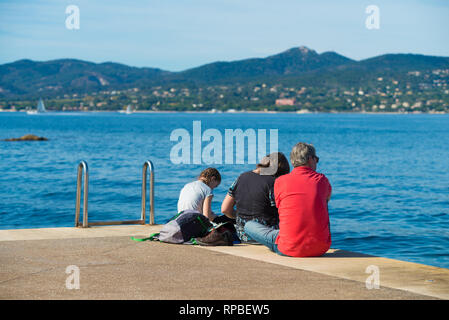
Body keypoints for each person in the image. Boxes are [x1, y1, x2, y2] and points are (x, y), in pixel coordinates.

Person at [244, 142, 332, 257]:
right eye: (317, 159)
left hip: (288, 248)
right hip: (320, 248)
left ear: (292, 161)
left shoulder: (280, 181)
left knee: (248, 226)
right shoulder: (322, 180)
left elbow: (281, 208)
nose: (317, 162)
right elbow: (325, 201)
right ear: (310, 159)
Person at [221, 152, 290, 242]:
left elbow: (225, 209)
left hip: (243, 235)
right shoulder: (273, 183)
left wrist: (242, 218)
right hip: (267, 237)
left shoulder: (241, 178)